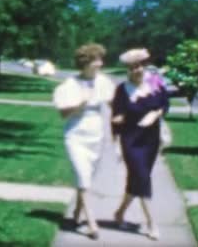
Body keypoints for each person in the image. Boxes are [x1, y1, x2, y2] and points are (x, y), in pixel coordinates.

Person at [52, 43, 115, 240]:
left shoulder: (103, 82)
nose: (100, 63)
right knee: (83, 176)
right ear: (85, 63)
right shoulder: (69, 85)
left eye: (101, 60)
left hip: (96, 136)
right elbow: (63, 113)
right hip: (76, 136)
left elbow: (115, 105)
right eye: (97, 60)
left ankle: (77, 214)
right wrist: (79, 105)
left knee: (85, 179)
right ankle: (92, 223)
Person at [111, 48, 169, 240]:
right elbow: (116, 117)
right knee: (143, 178)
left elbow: (165, 103)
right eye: (133, 67)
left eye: (140, 65)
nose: (138, 69)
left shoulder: (155, 81)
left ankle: (119, 213)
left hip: (150, 140)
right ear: (128, 69)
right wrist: (116, 142)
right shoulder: (122, 89)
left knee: (137, 180)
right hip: (131, 140)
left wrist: (155, 114)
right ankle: (152, 223)